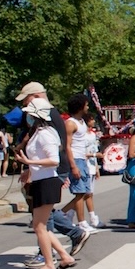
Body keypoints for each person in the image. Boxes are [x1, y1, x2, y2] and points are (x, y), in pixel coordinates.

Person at [15, 98, 76, 269]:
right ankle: (64, 255)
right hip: (42, 181)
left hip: (47, 182)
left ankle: (49, 263)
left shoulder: (45, 134)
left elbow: (53, 160)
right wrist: (29, 169)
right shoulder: (39, 133)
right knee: (41, 226)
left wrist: (29, 162)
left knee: (39, 226)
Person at [60, 94, 95, 234]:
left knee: (85, 192)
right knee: (79, 192)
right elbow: (67, 146)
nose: (87, 107)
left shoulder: (81, 122)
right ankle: (81, 222)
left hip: (83, 159)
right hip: (75, 159)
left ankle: (63, 213)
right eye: (86, 105)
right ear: (80, 106)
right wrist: (73, 165)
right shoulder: (70, 123)